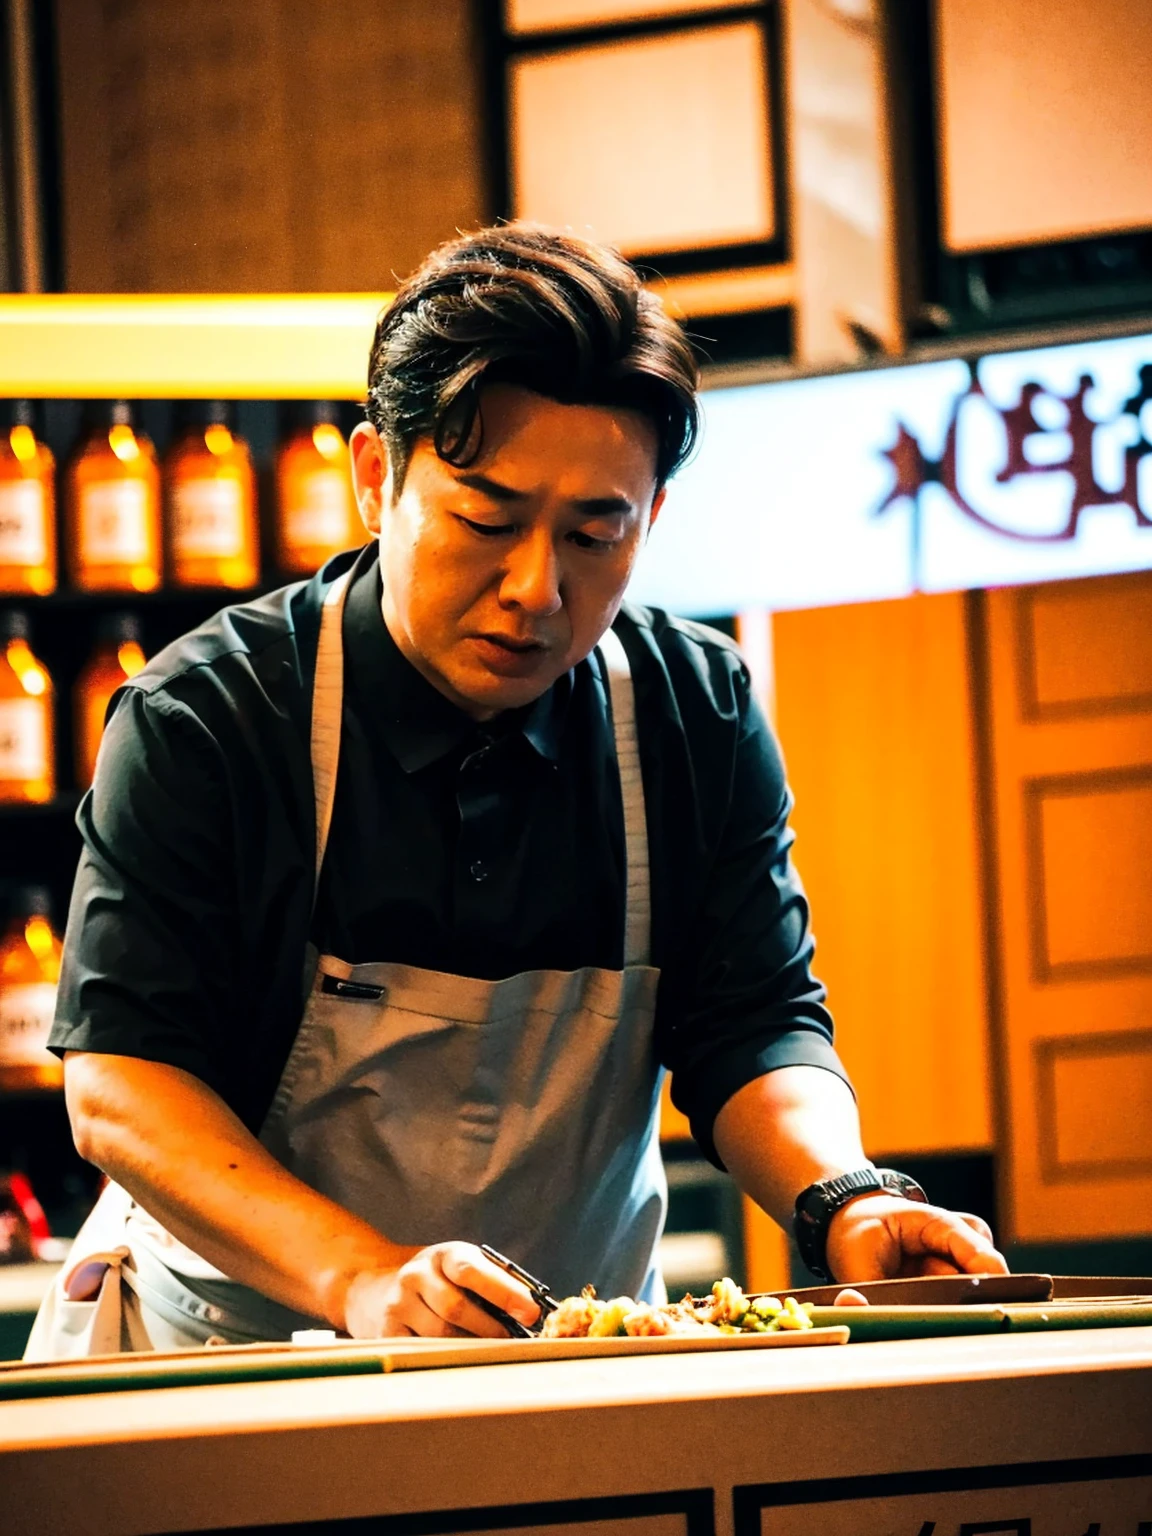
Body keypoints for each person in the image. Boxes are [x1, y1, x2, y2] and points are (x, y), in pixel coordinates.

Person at [27, 224, 1006, 1358]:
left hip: (565, 1378)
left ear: (652, 522)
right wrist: (362, 1278)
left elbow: (753, 1023)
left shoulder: (695, 714)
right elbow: (121, 1088)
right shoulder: (210, 718)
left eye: (597, 534)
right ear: (371, 478)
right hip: (234, 1366)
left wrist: (847, 1199)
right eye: (486, 522)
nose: (537, 590)